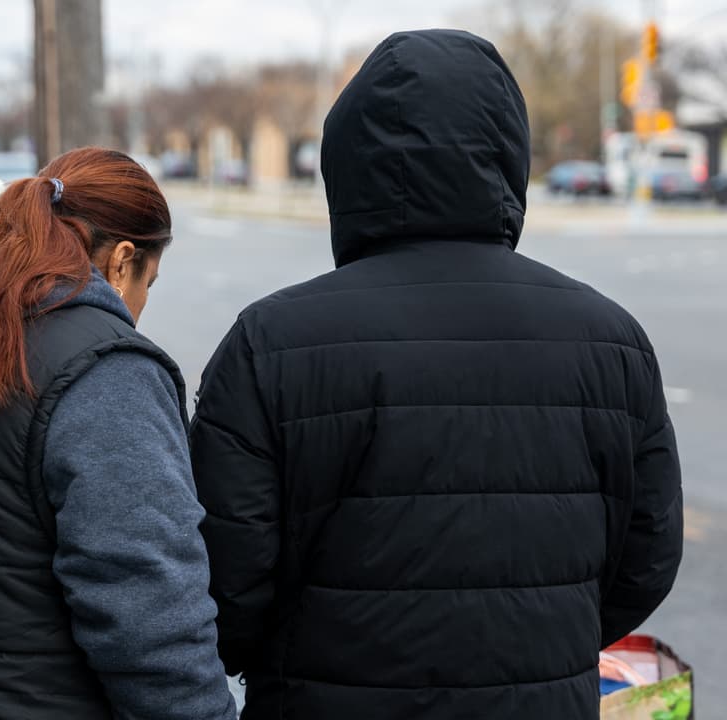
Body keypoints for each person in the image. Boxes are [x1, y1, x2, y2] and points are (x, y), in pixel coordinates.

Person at [189, 29, 682, 720]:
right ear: (506, 154)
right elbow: (647, 556)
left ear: (347, 163)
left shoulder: (271, 342)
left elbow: (224, 577)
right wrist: (544, 638)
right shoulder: (612, 340)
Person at [0, 147, 236, 720]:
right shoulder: (105, 371)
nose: (138, 308)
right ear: (121, 260)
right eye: (147, 284)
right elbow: (148, 615)